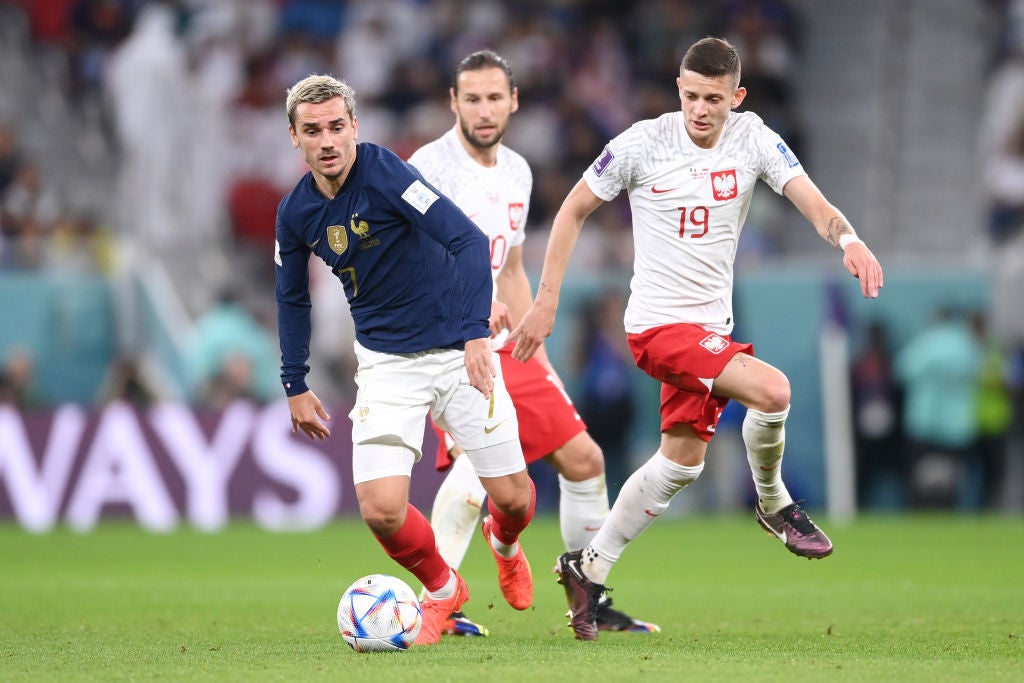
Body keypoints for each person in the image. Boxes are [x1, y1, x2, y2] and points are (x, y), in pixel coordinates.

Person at [510, 37, 884, 640]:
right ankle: (774, 503)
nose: (700, 110)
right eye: (690, 96)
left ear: (737, 96)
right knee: (772, 391)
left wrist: (849, 240)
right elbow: (572, 210)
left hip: (710, 328)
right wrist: (547, 298)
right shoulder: (641, 143)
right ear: (678, 91)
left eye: (714, 98)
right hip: (657, 327)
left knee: (681, 461)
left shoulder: (754, 137)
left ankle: (589, 567)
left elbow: (810, 200)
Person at [274, 74, 536, 646]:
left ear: (354, 128)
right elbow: (292, 298)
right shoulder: (294, 215)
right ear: (294, 137)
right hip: (388, 366)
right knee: (381, 509)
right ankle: (444, 592)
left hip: (457, 351)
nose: (328, 142)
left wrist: (473, 335)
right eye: (313, 131)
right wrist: (294, 381)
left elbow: (466, 241)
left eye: (337, 127)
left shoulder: (385, 172)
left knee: (516, 500)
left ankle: (505, 542)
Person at [407, 50, 657, 637]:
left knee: (585, 459)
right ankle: (435, 603)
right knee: (474, 477)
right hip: (449, 344)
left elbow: (513, 269)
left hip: (504, 342)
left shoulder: (518, 170)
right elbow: (410, 263)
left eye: (495, 97)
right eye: (472, 98)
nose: (484, 109)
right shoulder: (427, 168)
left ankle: (587, 599)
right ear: (453, 103)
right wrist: (464, 302)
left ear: (514, 101)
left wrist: (538, 354)